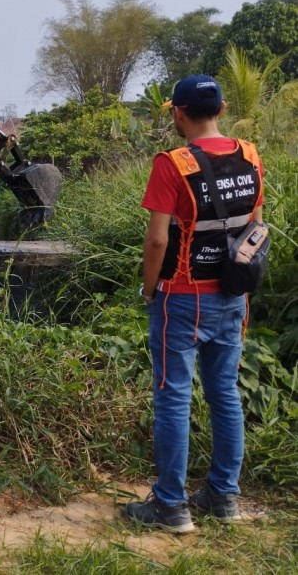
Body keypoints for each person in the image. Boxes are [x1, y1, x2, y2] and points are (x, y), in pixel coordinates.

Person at [125, 76, 264, 532]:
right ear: (222, 109)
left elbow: (157, 239)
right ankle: (223, 497)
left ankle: (170, 505)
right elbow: (254, 232)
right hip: (233, 295)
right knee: (224, 393)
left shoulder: (171, 164)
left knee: (173, 398)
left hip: (182, 297)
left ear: (178, 114)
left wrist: (150, 290)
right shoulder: (249, 156)